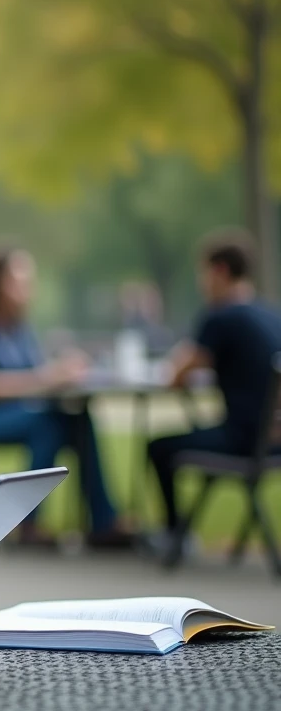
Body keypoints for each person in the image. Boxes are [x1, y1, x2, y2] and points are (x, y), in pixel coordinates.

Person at [0, 245, 135, 549]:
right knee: (46, 424)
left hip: (22, 414)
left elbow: (37, 374)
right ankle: (29, 525)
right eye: (18, 280)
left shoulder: (18, 328)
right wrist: (47, 377)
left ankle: (103, 523)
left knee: (77, 419)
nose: (26, 288)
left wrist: (63, 372)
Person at [147, 230, 281, 545]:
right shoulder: (271, 315)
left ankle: (174, 535)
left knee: (158, 447)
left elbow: (176, 377)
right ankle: (177, 534)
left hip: (244, 440)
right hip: (274, 439)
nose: (202, 282)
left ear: (219, 270)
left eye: (203, 273)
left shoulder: (220, 317)